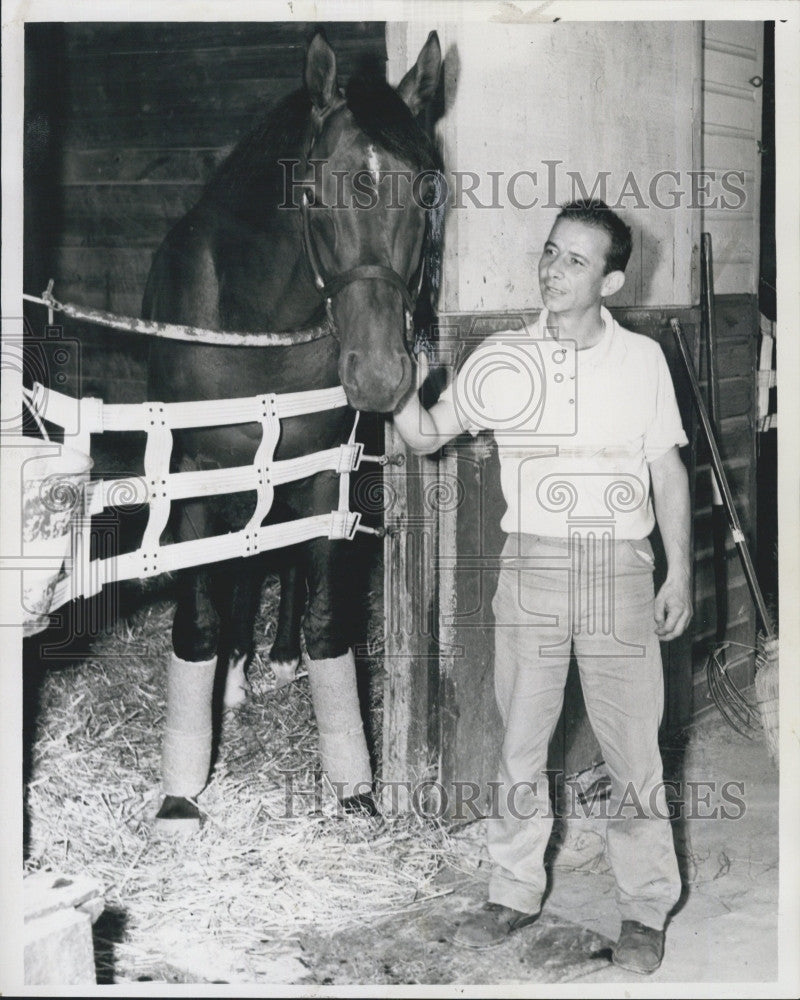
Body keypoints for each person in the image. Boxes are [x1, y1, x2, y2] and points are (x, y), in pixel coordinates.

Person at [392, 199, 692, 975]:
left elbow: (667, 470)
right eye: (551, 253)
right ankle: (514, 890)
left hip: (618, 569)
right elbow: (426, 435)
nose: (554, 271)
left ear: (613, 280)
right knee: (520, 744)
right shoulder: (502, 359)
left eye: (577, 261)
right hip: (528, 566)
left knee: (633, 751)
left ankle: (645, 906)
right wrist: (391, 385)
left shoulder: (642, 361)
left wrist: (681, 571)